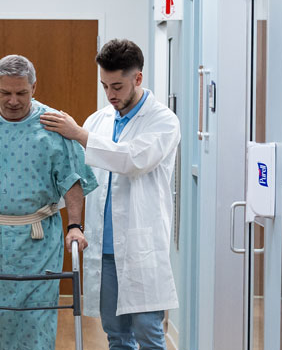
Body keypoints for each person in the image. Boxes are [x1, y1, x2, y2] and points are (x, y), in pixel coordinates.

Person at [0, 54, 98, 350]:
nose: (13, 100)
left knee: (36, 318)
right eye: (5, 93)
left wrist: (75, 226)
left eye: (21, 93)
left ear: (34, 88)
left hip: (39, 241)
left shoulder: (52, 123)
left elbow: (73, 181)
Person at [41, 39, 181, 350]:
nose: (110, 94)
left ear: (138, 78)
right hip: (103, 249)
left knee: (149, 335)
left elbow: (132, 160)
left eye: (117, 86)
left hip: (139, 244)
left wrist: (77, 133)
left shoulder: (163, 121)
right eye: (105, 86)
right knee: (116, 336)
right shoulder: (98, 120)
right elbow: (83, 175)